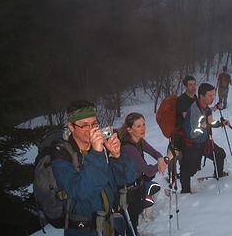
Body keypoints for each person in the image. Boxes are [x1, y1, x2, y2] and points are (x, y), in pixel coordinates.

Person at [51, 100, 122, 236]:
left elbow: (123, 180)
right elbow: (80, 191)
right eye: (84, 126)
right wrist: (97, 153)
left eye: (94, 124)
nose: (91, 130)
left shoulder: (98, 149)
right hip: (83, 229)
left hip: (108, 225)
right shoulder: (61, 155)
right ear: (71, 126)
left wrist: (117, 155)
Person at [118, 112, 167, 235]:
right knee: (131, 221)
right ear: (129, 129)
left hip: (137, 185)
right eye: (138, 126)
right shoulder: (128, 147)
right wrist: (163, 162)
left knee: (135, 215)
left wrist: (160, 158)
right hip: (127, 191)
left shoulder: (139, 141)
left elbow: (155, 152)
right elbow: (148, 170)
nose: (143, 128)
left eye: (144, 124)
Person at [181, 83, 230, 193]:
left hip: (204, 142)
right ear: (202, 96)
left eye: (213, 95)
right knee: (190, 169)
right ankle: (185, 191)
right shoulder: (194, 111)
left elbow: (210, 122)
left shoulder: (205, 108)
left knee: (220, 154)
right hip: (192, 145)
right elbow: (192, 134)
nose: (213, 98)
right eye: (210, 96)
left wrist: (220, 123)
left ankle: (219, 175)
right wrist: (202, 126)